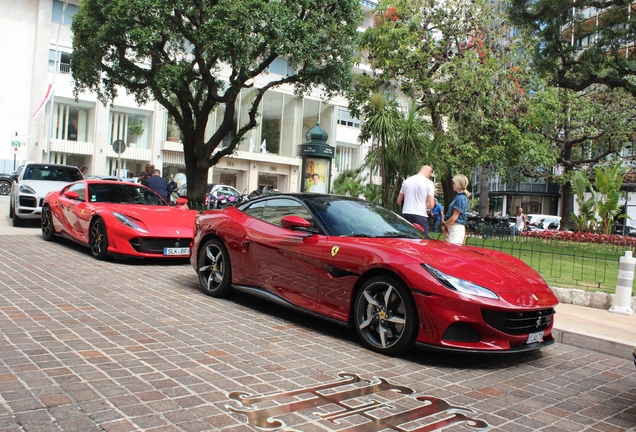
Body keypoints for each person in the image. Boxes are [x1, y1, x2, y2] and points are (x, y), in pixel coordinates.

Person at [397, 165, 435, 235]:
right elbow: (431, 205)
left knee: (406, 238)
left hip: (406, 213)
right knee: (421, 240)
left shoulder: (407, 181)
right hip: (420, 215)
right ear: (429, 172)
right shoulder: (429, 183)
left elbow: (399, 201)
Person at [442, 174, 470, 245]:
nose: (452, 185)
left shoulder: (460, 198)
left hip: (455, 228)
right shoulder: (458, 197)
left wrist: (445, 224)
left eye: (453, 183)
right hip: (453, 227)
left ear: (458, 184)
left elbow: (454, 217)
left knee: (452, 250)